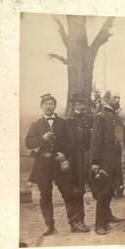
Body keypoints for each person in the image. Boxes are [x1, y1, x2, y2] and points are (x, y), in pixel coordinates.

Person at [25, 93, 87, 236]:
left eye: (51, 104)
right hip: (43, 165)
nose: (49, 106)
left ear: (55, 106)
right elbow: (28, 143)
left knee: (68, 193)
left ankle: (74, 223)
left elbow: (71, 142)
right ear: (42, 107)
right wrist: (42, 138)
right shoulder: (36, 125)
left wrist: (64, 154)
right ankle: (49, 225)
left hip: (60, 164)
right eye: (46, 104)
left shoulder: (63, 123)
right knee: (45, 195)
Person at [90, 91, 125, 235]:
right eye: (115, 97)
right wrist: (95, 162)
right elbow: (95, 140)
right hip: (104, 160)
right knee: (103, 192)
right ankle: (99, 224)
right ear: (107, 99)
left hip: (115, 160)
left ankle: (107, 216)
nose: (118, 100)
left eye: (119, 97)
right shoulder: (100, 117)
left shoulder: (115, 118)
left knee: (111, 189)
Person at [66, 93, 93, 232]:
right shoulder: (69, 121)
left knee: (81, 188)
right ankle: (75, 221)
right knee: (75, 189)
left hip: (86, 156)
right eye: (79, 103)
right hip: (74, 158)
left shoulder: (89, 119)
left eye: (83, 103)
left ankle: (79, 220)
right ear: (74, 105)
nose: (82, 106)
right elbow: (70, 141)